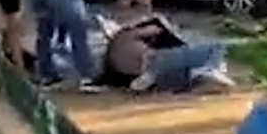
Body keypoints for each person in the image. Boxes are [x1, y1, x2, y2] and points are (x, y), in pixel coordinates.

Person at [97, 13, 234, 94]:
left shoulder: (113, 50)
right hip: (152, 63)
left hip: (140, 77)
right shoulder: (128, 34)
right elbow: (156, 30)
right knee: (218, 47)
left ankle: (200, 74)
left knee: (186, 74)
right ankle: (205, 71)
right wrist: (161, 23)